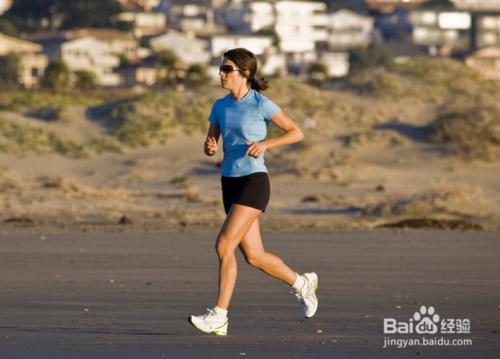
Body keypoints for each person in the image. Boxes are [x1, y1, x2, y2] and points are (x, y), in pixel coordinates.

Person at [188, 48, 318, 336]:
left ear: (244, 73)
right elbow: (211, 140)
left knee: (224, 245)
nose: (220, 74)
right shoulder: (220, 107)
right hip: (229, 181)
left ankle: (219, 316)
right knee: (255, 256)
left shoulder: (261, 104)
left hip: (254, 181)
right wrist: (209, 146)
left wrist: (266, 144)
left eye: (227, 69)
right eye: (221, 69)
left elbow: (296, 132)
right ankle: (301, 284)